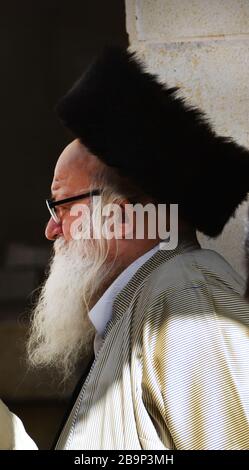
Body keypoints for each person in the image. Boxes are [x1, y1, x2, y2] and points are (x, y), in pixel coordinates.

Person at [27, 47, 249, 450]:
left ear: (122, 215)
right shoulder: (145, 302)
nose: (50, 229)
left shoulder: (186, 296)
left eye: (61, 205)